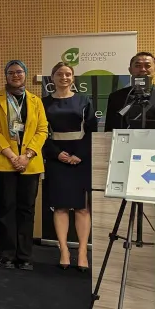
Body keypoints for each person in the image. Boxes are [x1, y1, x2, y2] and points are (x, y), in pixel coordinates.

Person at [0, 60, 48, 271]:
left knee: (26, 210)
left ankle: (25, 256)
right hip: (5, 162)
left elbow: (42, 130)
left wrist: (28, 154)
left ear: (25, 75)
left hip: (30, 163)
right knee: (5, 209)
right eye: (11, 72)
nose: (15, 75)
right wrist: (13, 156)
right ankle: (7, 255)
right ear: (5, 76)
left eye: (19, 72)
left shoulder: (36, 101)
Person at [43, 62, 97, 271]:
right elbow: (40, 132)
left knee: (82, 208)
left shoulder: (84, 100)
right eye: (59, 74)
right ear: (52, 77)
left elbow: (92, 130)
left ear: (73, 78)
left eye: (68, 74)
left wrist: (79, 155)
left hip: (80, 156)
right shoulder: (43, 102)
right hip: (56, 156)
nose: (64, 77)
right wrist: (57, 154)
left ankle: (82, 252)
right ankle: (64, 250)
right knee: (60, 206)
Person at [104, 52, 155, 130]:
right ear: (130, 70)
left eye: (147, 66)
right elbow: (109, 130)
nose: (142, 69)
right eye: (138, 66)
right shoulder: (116, 97)